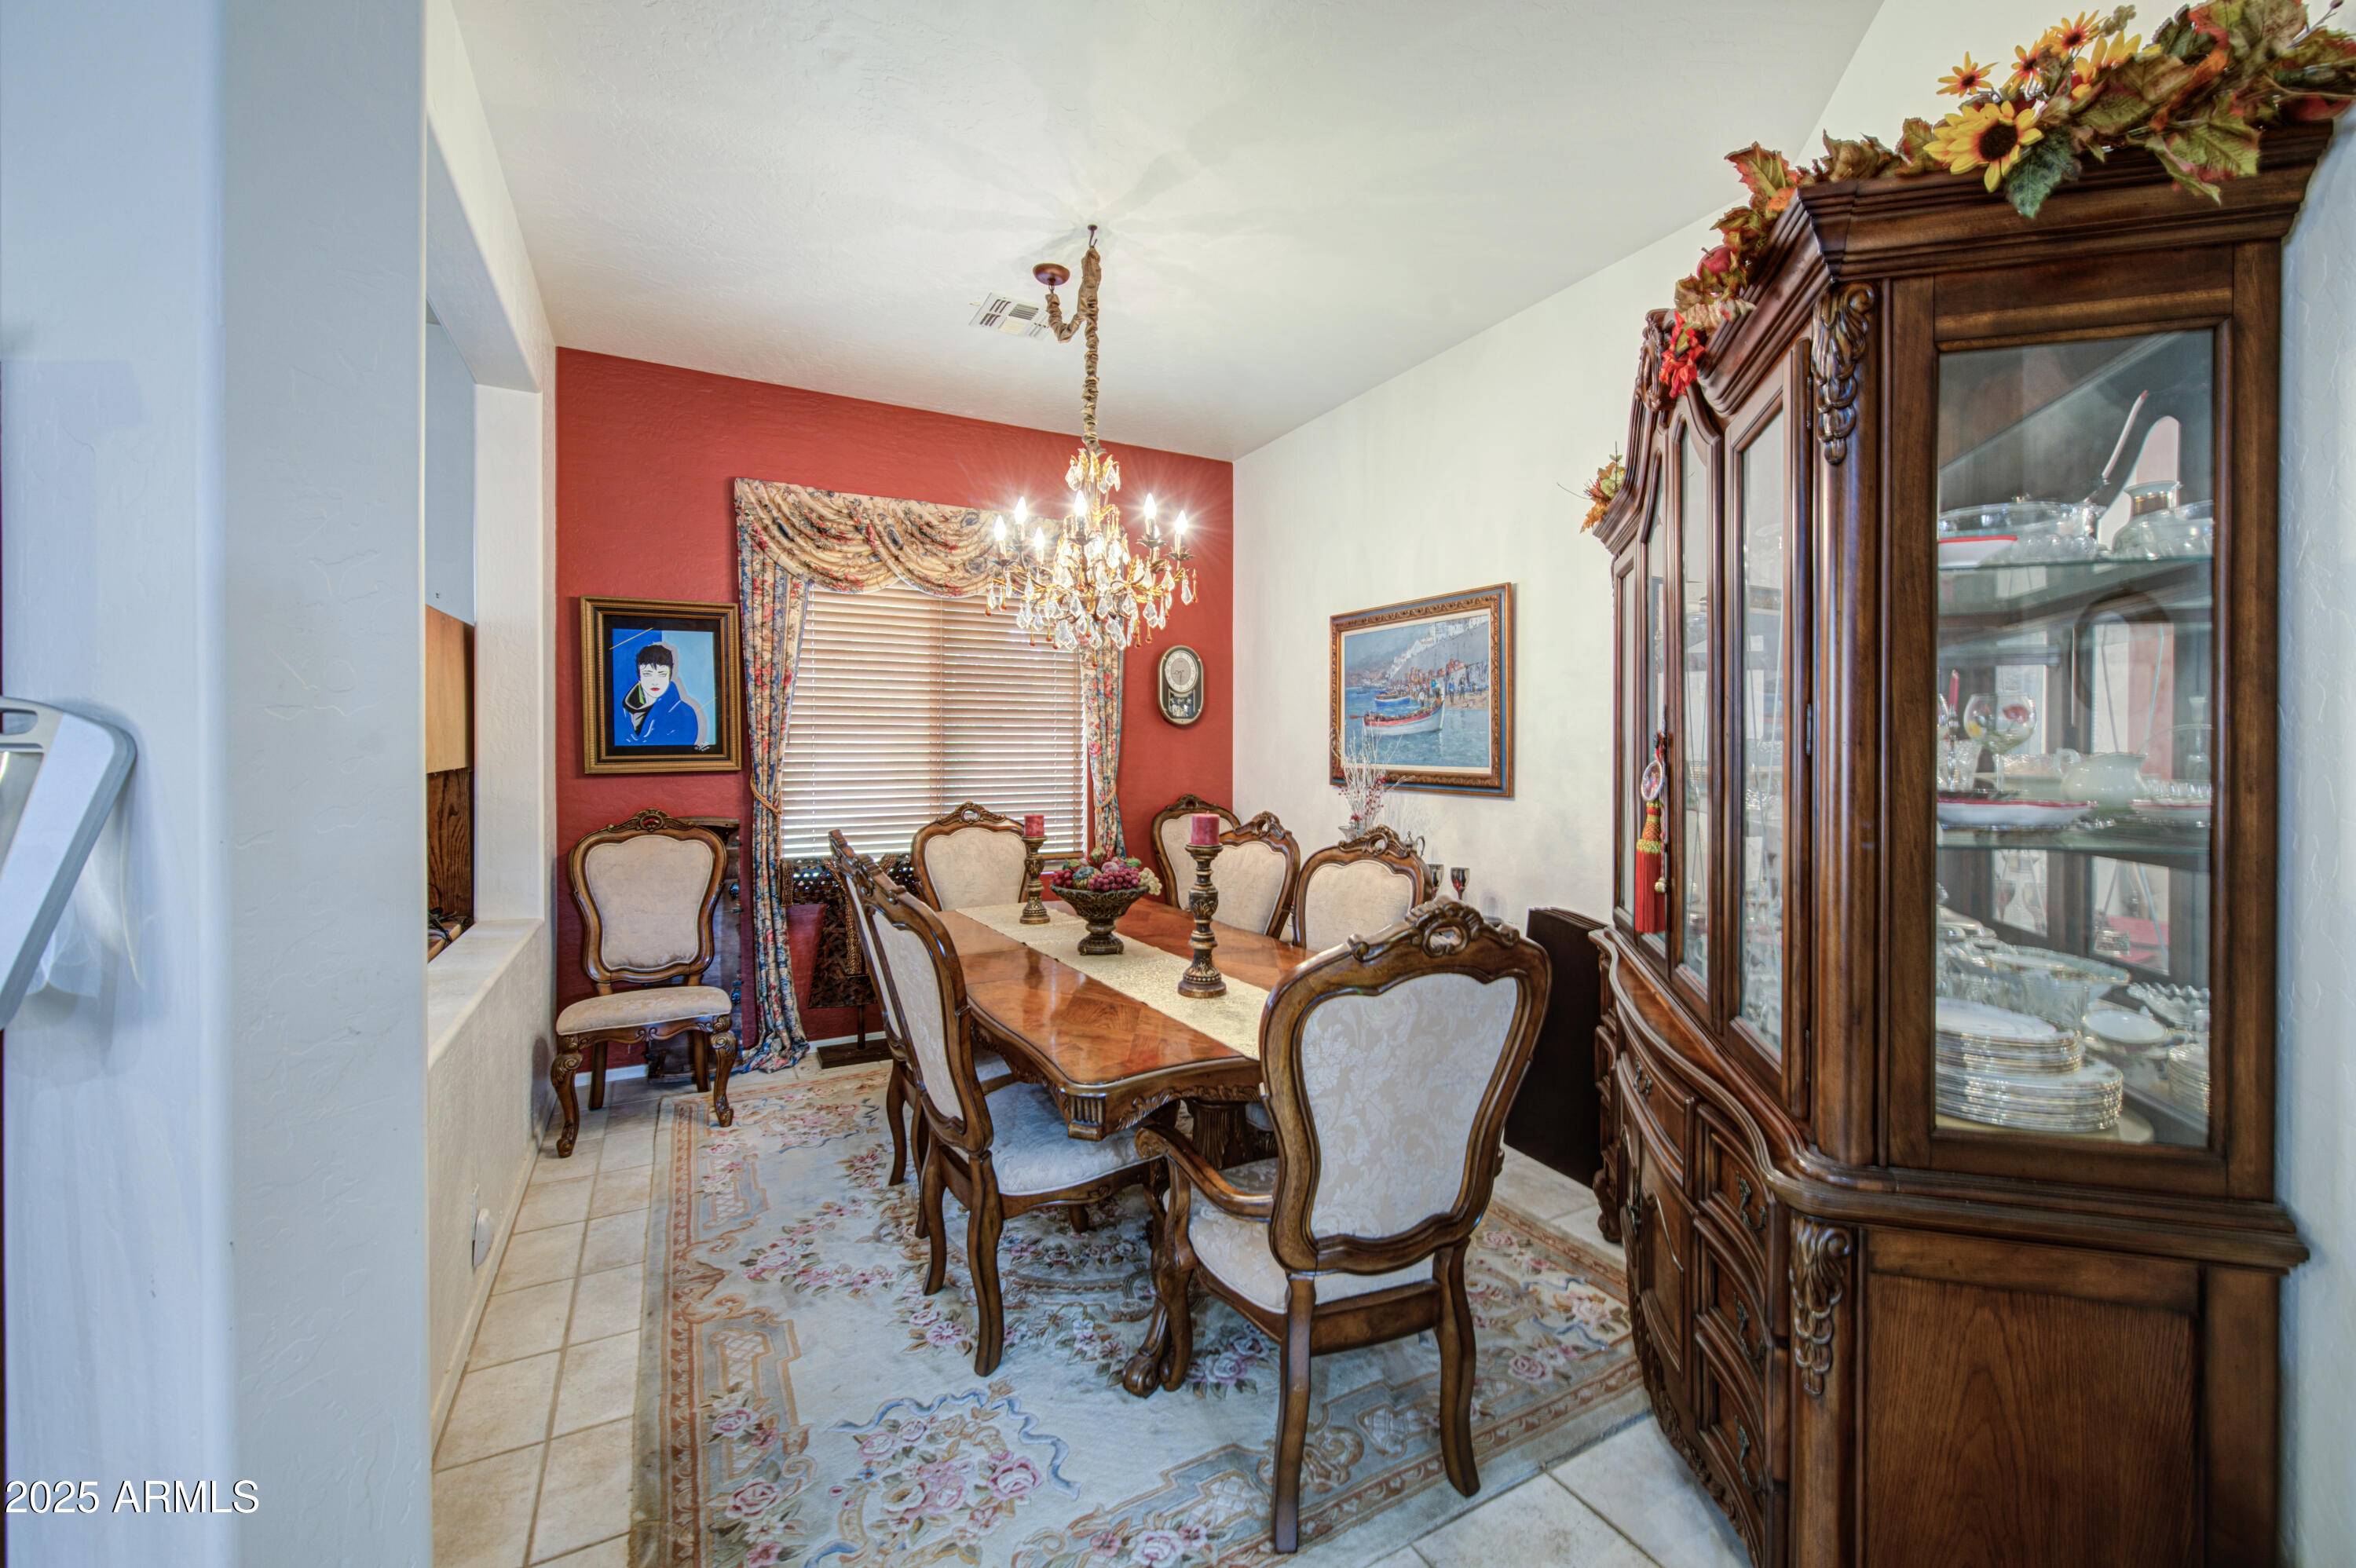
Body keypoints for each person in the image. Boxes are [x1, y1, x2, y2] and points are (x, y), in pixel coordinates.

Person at [619, 640, 705, 746]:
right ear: (639, 677)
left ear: (670, 676)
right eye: (647, 674)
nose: (655, 682)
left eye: (662, 674)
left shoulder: (685, 715)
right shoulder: (622, 711)